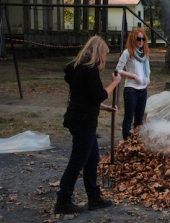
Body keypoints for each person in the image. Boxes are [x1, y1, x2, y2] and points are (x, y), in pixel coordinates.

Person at [54, 36, 121, 214]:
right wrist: (115, 83)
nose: (102, 59)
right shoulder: (89, 69)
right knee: (78, 161)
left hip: (78, 117)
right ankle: (63, 200)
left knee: (92, 159)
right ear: (98, 53)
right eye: (103, 55)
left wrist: (105, 108)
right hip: (83, 121)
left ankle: (94, 198)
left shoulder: (77, 66)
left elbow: (86, 96)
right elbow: (98, 94)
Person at [115, 28, 150, 140]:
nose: (141, 41)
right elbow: (118, 70)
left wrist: (147, 78)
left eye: (143, 39)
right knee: (129, 118)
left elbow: (147, 69)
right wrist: (133, 75)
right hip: (131, 89)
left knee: (139, 118)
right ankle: (127, 143)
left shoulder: (144, 54)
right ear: (133, 39)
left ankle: (136, 142)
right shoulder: (127, 53)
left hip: (143, 89)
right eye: (138, 39)